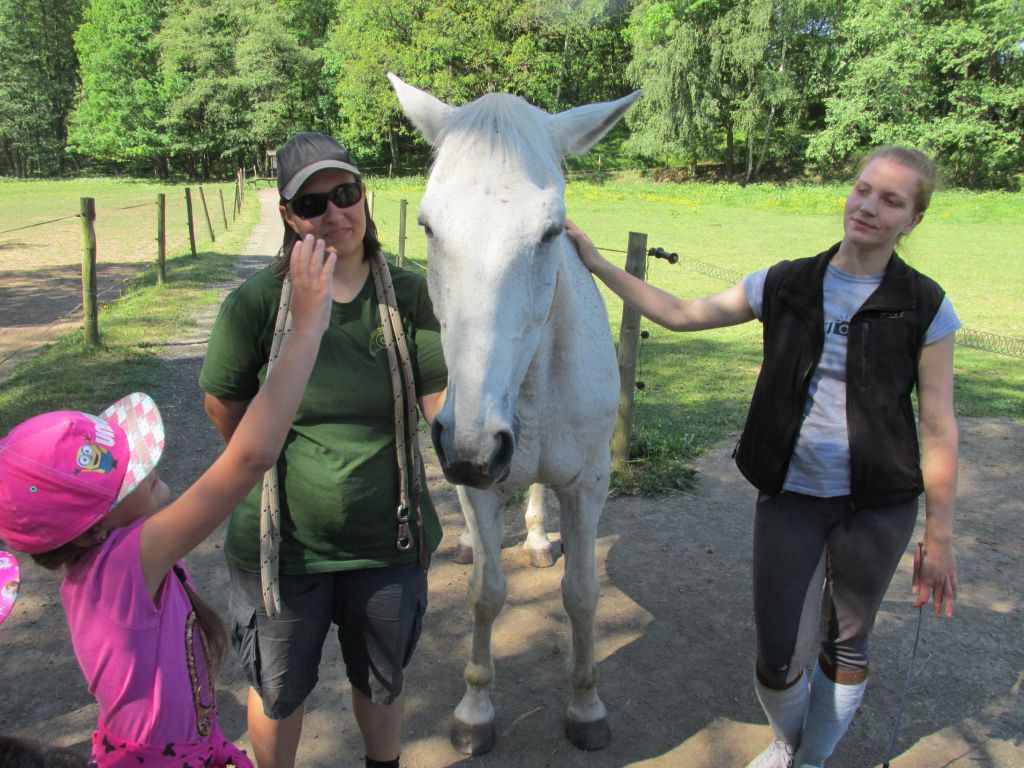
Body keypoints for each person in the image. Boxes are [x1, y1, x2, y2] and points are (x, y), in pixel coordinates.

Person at [567, 146, 959, 768]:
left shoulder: (927, 306)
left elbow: (938, 424)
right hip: (791, 496)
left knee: (847, 643)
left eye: (891, 200)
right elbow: (680, 314)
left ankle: (810, 759)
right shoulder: (784, 283)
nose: (868, 207)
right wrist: (595, 262)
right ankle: (786, 739)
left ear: (912, 219)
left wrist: (938, 536)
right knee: (777, 657)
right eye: (863, 189)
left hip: (879, 505)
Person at [0, 239, 335, 767]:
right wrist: (309, 327)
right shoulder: (124, 567)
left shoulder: (100, 566)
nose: (146, 466)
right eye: (126, 475)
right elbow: (250, 458)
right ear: (91, 529)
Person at [199, 132, 448, 768]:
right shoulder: (257, 304)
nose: (335, 213)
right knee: (278, 691)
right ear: (289, 217)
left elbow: (437, 400)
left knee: (383, 680)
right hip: (281, 550)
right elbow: (223, 405)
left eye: (345, 193)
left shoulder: (409, 296)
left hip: (388, 541)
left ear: (365, 195)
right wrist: (269, 461)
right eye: (313, 205)